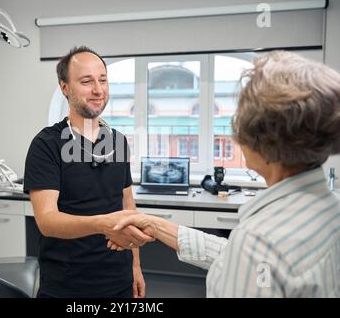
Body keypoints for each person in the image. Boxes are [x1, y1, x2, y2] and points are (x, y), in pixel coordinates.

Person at [110, 51, 340, 297]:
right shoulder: (328, 210)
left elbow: (247, 255)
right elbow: (232, 254)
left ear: (261, 138)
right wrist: (155, 225)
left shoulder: (257, 242)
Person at [23, 46, 153, 298]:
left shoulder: (117, 141)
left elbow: (128, 206)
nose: (98, 90)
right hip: (67, 286)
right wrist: (104, 224)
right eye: (86, 81)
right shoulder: (47, 144)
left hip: (119, 281)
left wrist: (136, 266)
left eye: (102, 80)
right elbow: (47, 221)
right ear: (64, 88)